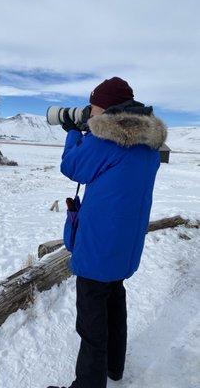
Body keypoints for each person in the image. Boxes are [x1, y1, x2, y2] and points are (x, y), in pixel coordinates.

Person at [48, 77, 167, 388]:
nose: (91, 113)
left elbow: (72, 167)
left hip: (98, 248)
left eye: (95, 108)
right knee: (115, 301)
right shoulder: (148, 144)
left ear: (109, 109)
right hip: (124, 246)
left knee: (91, 323)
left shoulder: (105, 141)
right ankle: (115, 368)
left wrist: (74, 133)